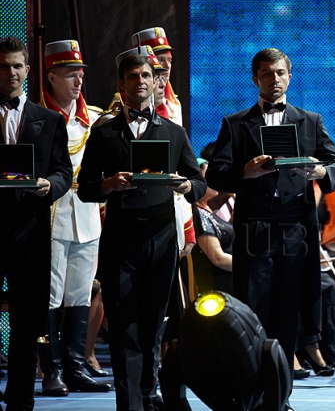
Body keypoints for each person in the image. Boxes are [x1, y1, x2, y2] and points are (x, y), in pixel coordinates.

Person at [206, 47, 335, 411]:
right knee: (253, 314)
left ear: (290, 76)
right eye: (267, 73)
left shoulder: (309, 120)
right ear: (255, 78)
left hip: (296, 231)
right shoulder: (235, 123)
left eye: (281, 73)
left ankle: (280, 399)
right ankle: (250, 396)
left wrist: (319, 173)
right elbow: (217, 172)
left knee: (288, 315)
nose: (275, 79)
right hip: (254, 231)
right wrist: (245, 173)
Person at [77, 53, 205, 411]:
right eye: (133, 76)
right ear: (122, 84)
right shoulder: (104, 131)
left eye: (147, 75)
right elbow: (85, 187)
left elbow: (199, 182)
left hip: (162, 235)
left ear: (156, 81)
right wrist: (107, 184)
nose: (141, 82)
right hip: (121, 236)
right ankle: (129, 404)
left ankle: (150, 396)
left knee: (153, 323)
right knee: (123, 326)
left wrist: (183, 185)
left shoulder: (174, 132)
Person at [0, 36, 73, 410]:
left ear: (28, 70)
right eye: (3, 66)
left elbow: (64, 170)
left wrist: (50, 185)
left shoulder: (49, 120)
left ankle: (20, 401)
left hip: (31, 233)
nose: (10, 72)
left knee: (28, 325)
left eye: (16, 65)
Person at [36, 40, 112, 396]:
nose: (78, 81)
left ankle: (76, 367)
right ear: (51, 77)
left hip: (86, 214)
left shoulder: (95, 119)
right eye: (69, 75)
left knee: (80, 294)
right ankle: (50, 370)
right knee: (49, 296)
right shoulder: (37, 116)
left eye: (80, 74)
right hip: (49, 214)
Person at [191, 156, 233, 294]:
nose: (214, 181)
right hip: (220, 289)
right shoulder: (198, 214)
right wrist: (251, 266)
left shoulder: (207, 210)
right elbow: (217, 258)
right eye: (208, 178)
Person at [132, 27, 181, 125]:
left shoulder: (174, 104)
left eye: (169, 60)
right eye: (161, 60)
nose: (167, 66)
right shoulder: (127, 104)